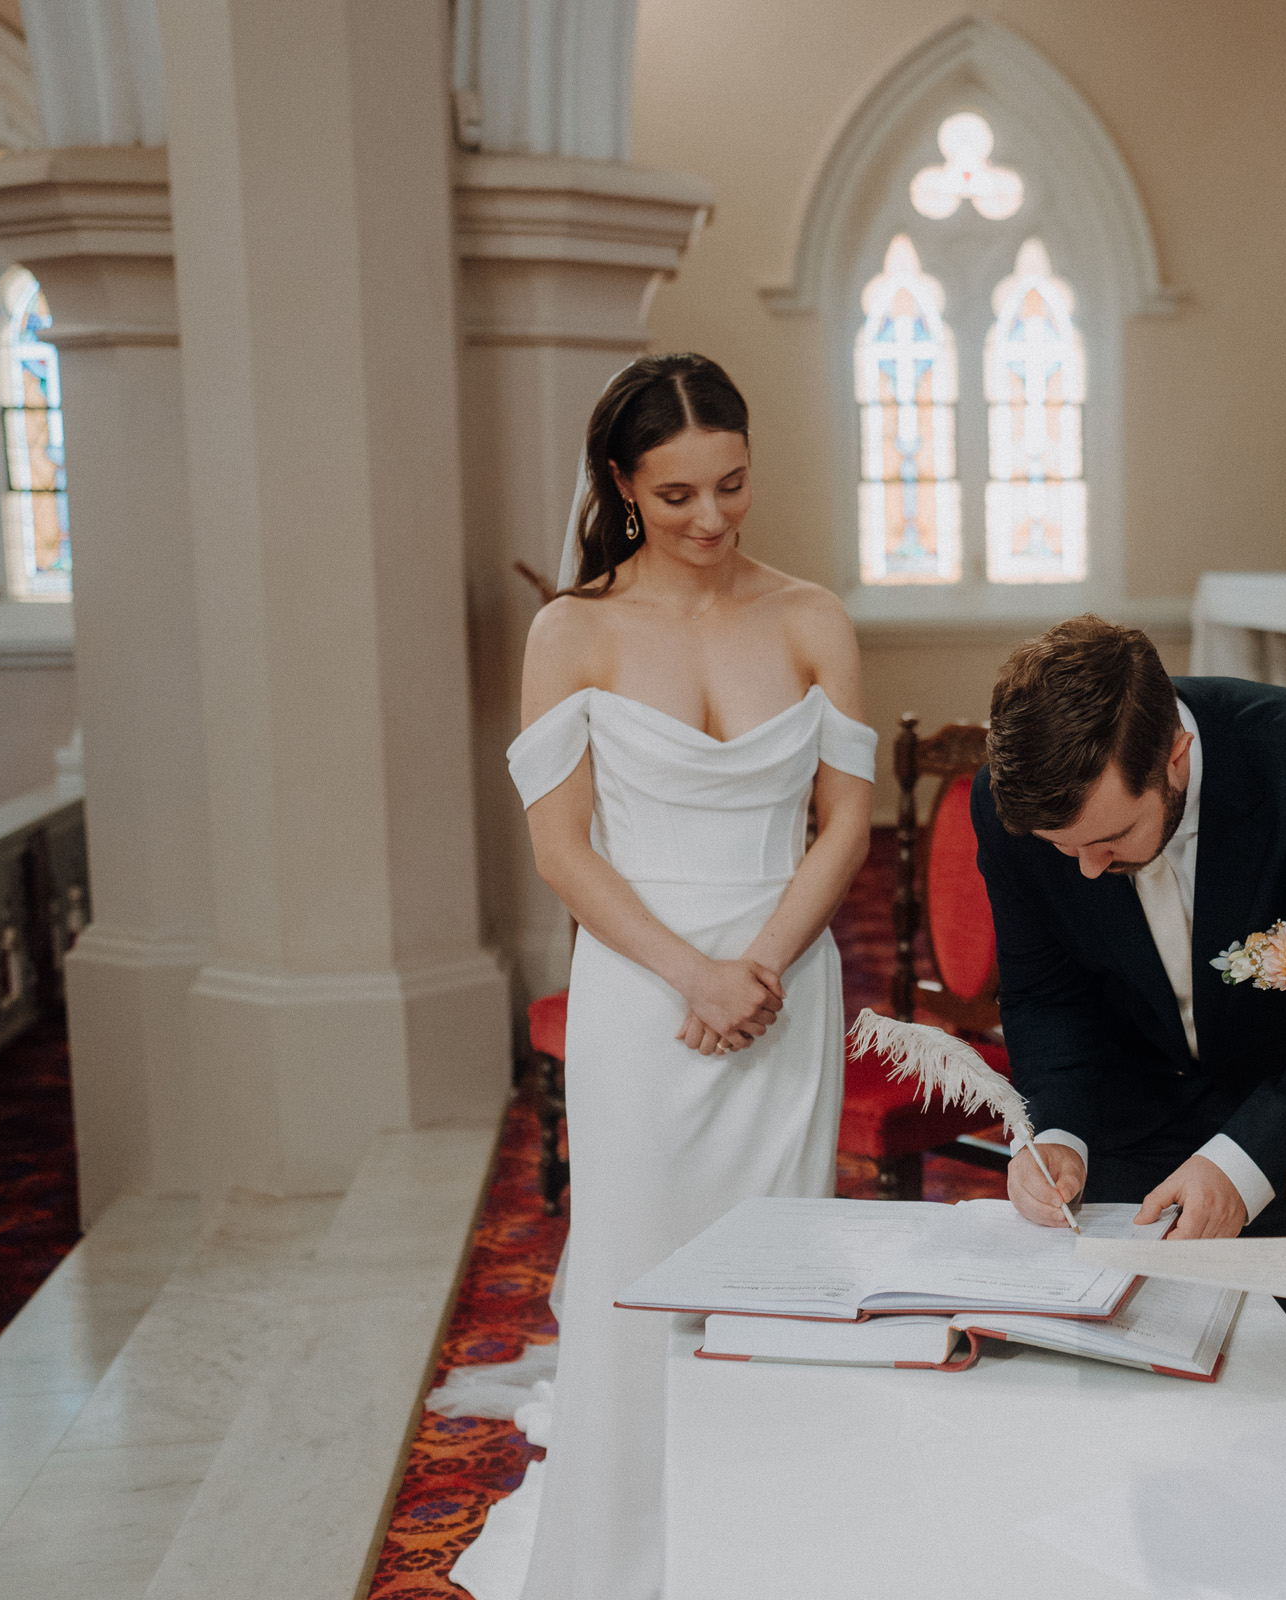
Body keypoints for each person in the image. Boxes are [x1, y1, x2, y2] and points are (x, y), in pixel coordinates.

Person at [463, 354, 875, 1600]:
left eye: (734, 486)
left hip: (781, 989)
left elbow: (847, 821)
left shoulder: (812, 617)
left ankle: (760, 1553)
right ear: (623, 485)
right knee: (638, 1281)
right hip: (643, 1000)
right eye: (680, 493)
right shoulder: (571, 630)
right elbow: (558, 846)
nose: (711, 519)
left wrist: (757, 967)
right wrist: (692, 973)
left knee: (768, 1281)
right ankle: (627, 1558)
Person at [971, 617, 1286, 1357]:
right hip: (1122, 1149)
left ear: (1176, 757)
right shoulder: (1010, 807)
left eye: (1111, 840)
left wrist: (1241, 1163)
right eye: (1065, 849)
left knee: (1281, 1399)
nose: (1084, 869)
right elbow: (1045, 993)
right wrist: (1057, 1132)